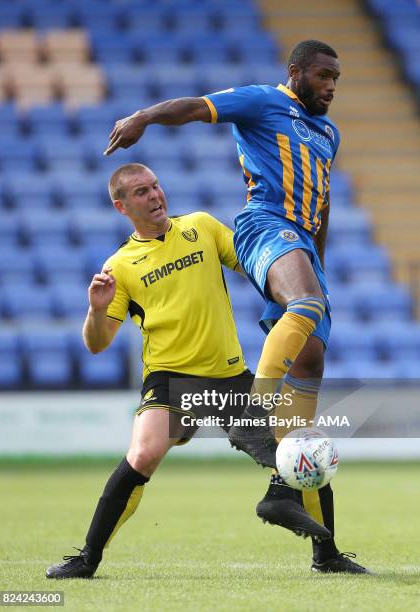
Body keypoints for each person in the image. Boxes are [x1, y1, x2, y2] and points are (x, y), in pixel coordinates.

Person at [103, 40, 370, 574]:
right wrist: (144, 118)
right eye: (322, 75)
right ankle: (259, 407)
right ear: (295, 72)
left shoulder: (328, 133)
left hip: (300, 242)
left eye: (336, 78)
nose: (331, 86)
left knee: (312, 361)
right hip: (265, 225)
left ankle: (291, 500)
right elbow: (196, 107)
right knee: (307, 305)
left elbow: (322, 202)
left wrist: (317, 261)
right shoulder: (262, 101)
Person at [46, 163, 332, 580]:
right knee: (143, 454)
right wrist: (94, 308)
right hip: (169, 378)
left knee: (299, 451)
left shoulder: (201, 226)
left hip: (229, 376)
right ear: (121, 206)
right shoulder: (120, 266)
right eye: (142, 192)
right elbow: (96, 342)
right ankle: (87, 558)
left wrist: (295, 271)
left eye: (156, 186)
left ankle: (328, 554)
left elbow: (257, 262)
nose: (155, 196)